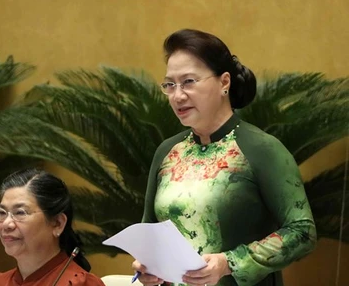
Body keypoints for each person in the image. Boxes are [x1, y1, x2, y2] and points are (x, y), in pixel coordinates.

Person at [132, 29, 317, 286]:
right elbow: (149, 228)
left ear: (224, 82)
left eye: (188, 82)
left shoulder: (262, 149)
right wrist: (148, 266)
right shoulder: (167, 152)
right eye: (169, 85)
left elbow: (302, 231)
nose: (177, 95)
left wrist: (231, 263)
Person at [0, 169, 105, 286]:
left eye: (20, 212)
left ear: (57, 223)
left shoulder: (81, 284)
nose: (6, 224)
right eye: (2, 213)